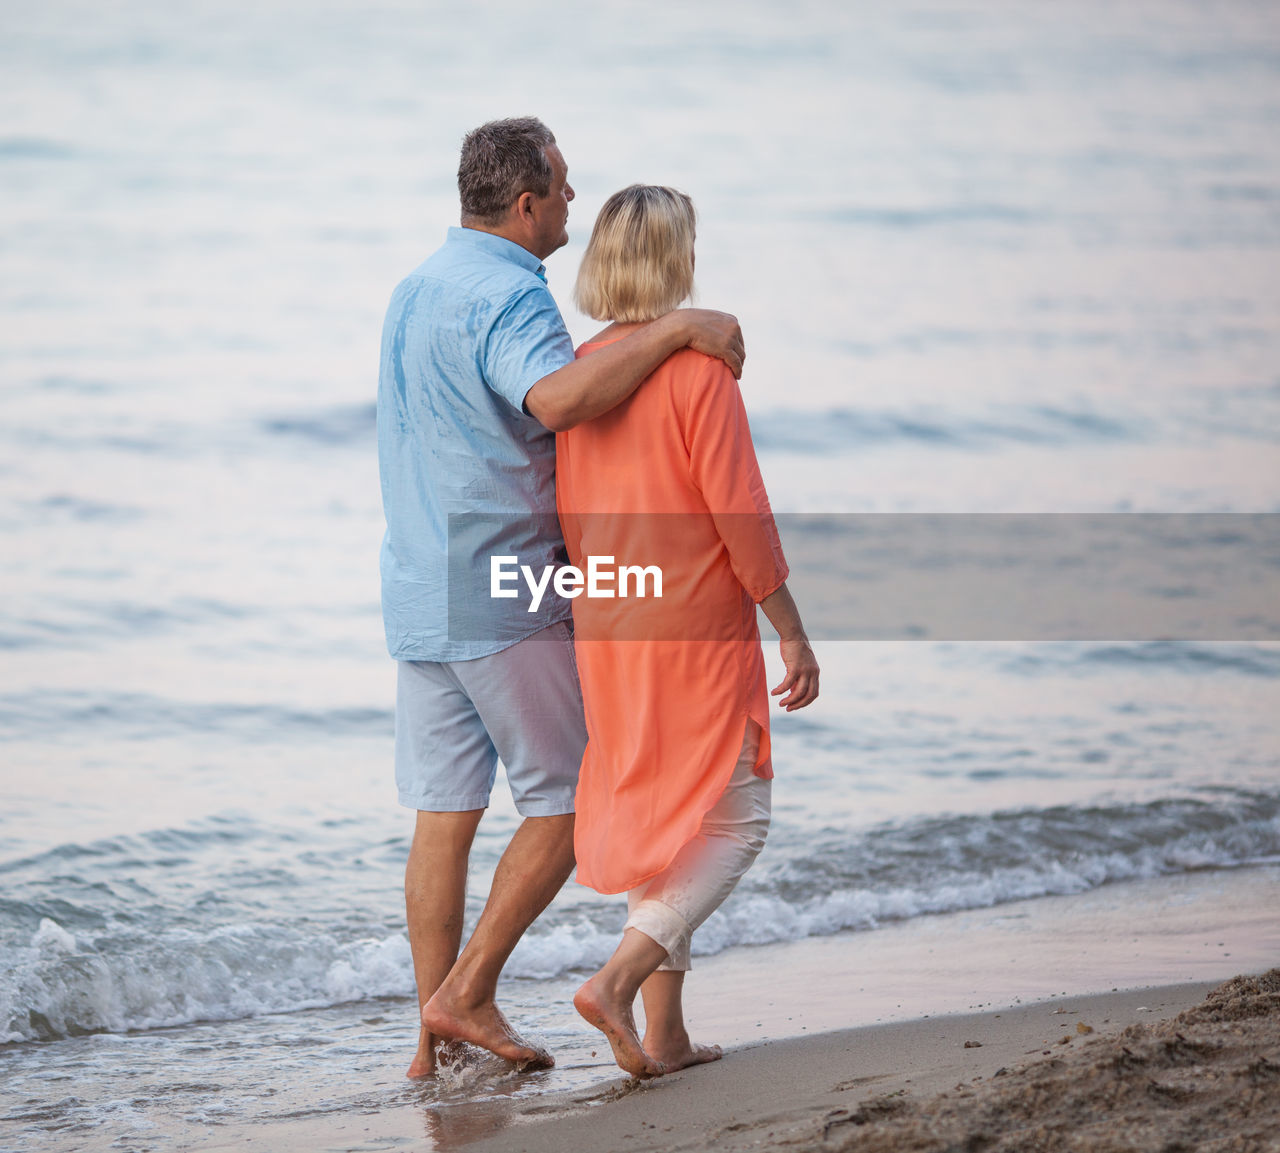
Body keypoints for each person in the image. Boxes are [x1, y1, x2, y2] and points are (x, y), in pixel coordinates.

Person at [376, 119, 747, 1079]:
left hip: (417, 585)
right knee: (571, 802)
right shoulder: (511, 295)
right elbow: (557, 400)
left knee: (443, 814)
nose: (575, 205)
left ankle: (439, 1036)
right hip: (503, 585)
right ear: (527, 202)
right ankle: (466, 993)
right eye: (565, 188)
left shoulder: (414, 289)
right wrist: (677, 326)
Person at [555, 185, 820, 1078]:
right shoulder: (697, 369)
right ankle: (616, 979)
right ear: (678, 260)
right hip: (690, 624)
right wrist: (790, 627)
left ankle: (665, 1037)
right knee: (739, 817)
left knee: (666, 816)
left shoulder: (583, 370)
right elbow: (739, 512)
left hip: (609, 620)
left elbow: (573, 523)